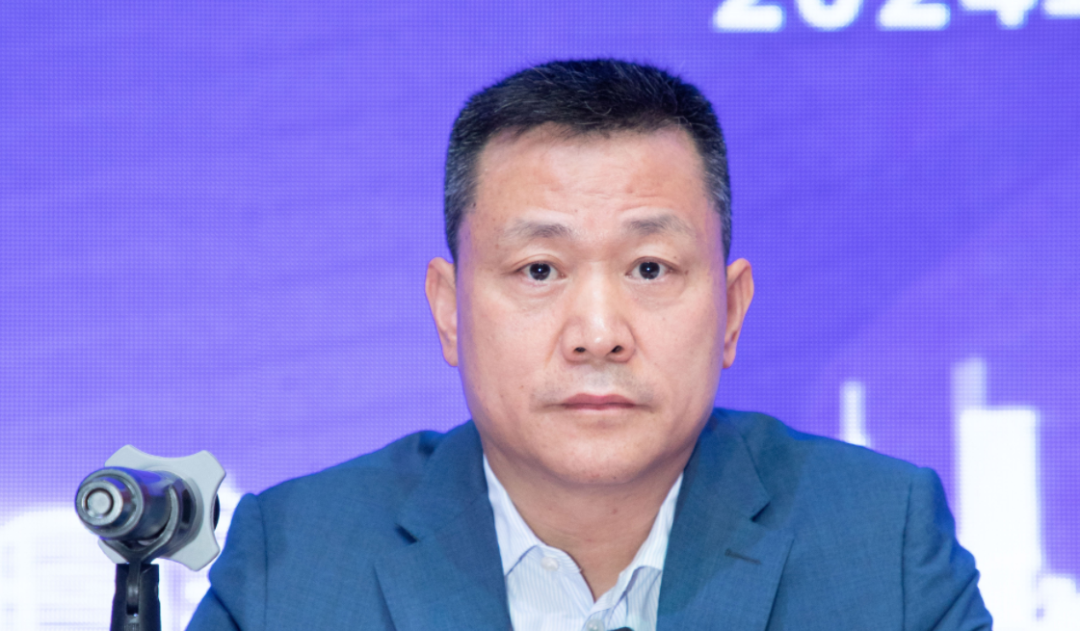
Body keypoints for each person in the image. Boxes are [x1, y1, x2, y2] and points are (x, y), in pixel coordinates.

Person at [188, 59, 991, 631]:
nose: (599, 334)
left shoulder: (880, 541)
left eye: (650, 268)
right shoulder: (294, 560)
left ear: (732, 311)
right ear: (449, 311)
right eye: (539, 269)